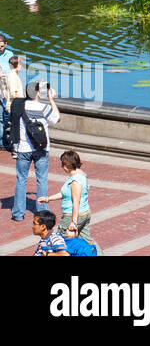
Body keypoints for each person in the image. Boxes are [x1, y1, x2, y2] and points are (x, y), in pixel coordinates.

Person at [11, 80, 59, 222]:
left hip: (23, 149)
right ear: (38, 93)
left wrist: (35, 87)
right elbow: (57, 119)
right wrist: (51, 99)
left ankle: (18, 213)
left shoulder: (19, 106)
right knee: (42, 180)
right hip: (41, 148)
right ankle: (42, 211)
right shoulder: (44, 108)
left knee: (21, 180)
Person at [38, 150, 91, 242]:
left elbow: (76, 201)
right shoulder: (82, 175)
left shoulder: (75, 181)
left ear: (67, 166)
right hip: (85, 213)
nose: (62, 167)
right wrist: (48, 199)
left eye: (62, 165)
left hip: (71, 216)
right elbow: (65, 194)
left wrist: (74, 221)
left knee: (59, 240)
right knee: (87, 241)